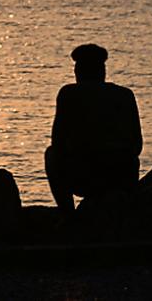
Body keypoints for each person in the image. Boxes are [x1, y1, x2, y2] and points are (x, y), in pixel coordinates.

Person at [45, 43, 142, 212]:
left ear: (79, 71)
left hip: (83, 173)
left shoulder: (69, 94)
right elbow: (137, 145)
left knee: (52, 155)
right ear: (102, 70)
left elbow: (57, 141)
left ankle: (68, 216)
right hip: (119, 174)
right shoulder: (124, 94)